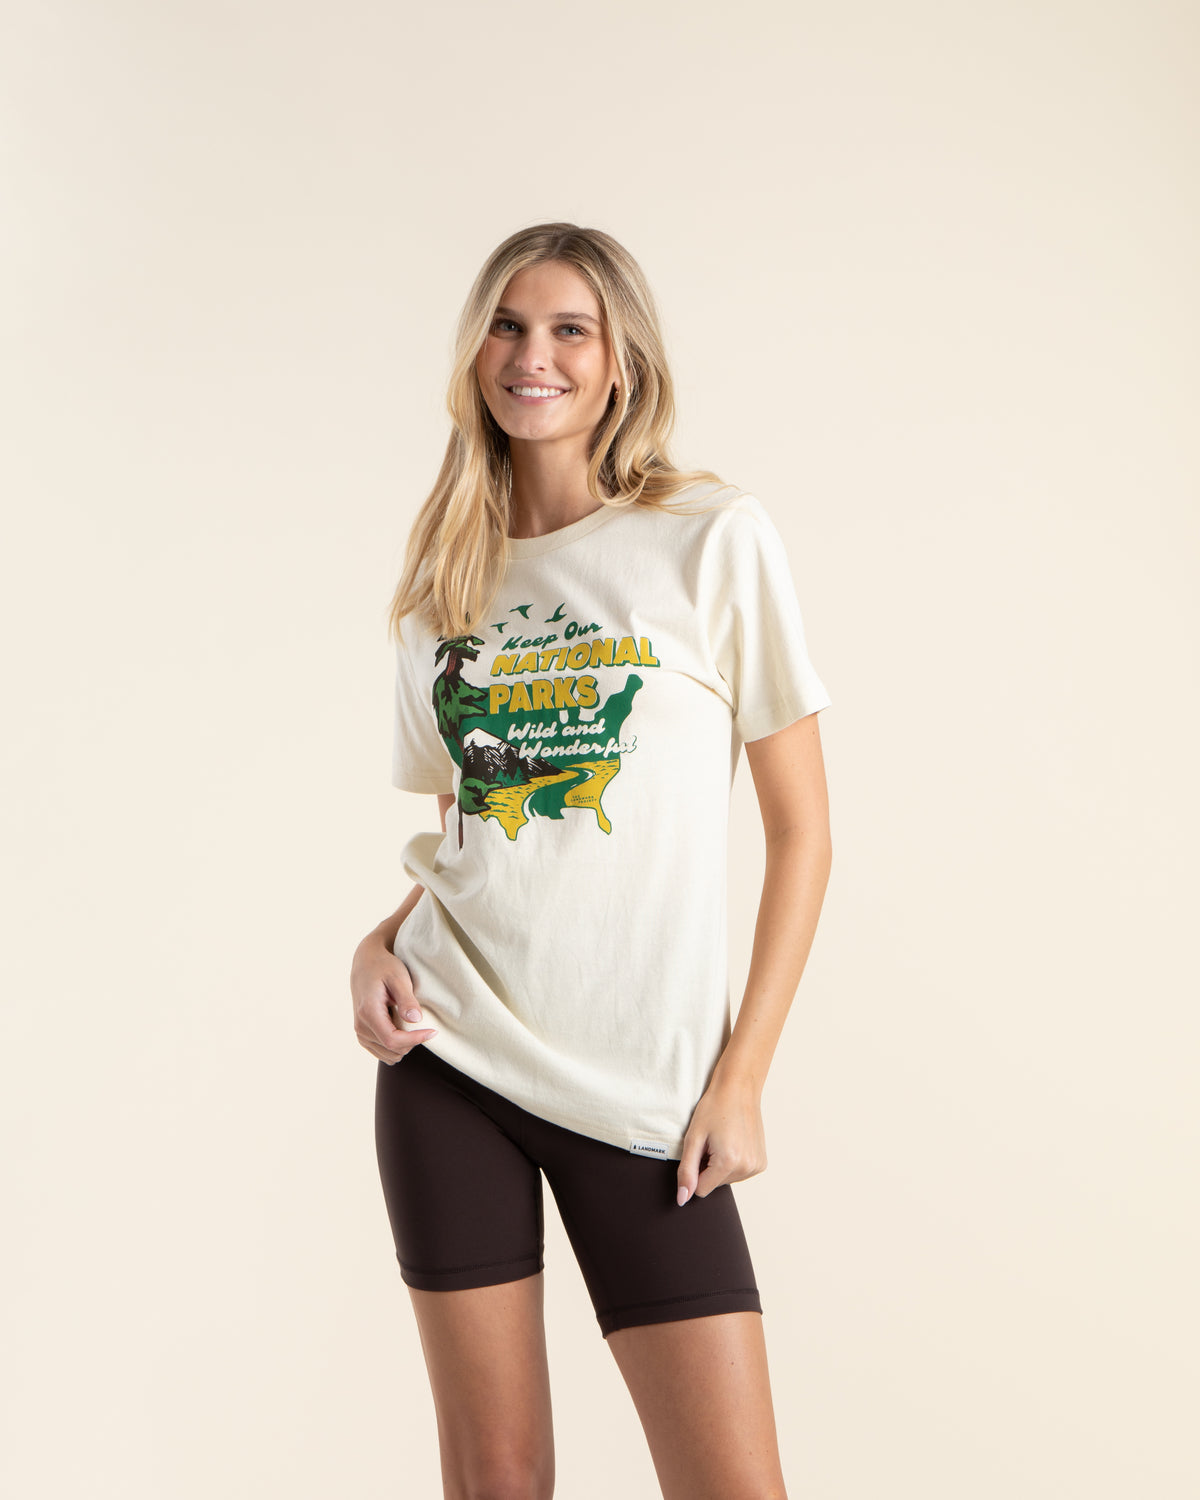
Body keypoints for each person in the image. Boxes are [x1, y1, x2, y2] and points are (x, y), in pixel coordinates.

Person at [350, 221, 832, 1500]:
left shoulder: (710, 538)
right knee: (497, 1482)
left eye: (571, 329)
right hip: (451, 1062)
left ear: (622, 360)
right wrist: (377, 940)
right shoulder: (444, 582)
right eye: (508, 326)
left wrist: (743, 1077)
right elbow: (482, 828)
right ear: (475, 354)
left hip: (648, 1090)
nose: (535, 356)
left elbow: (803, 833)